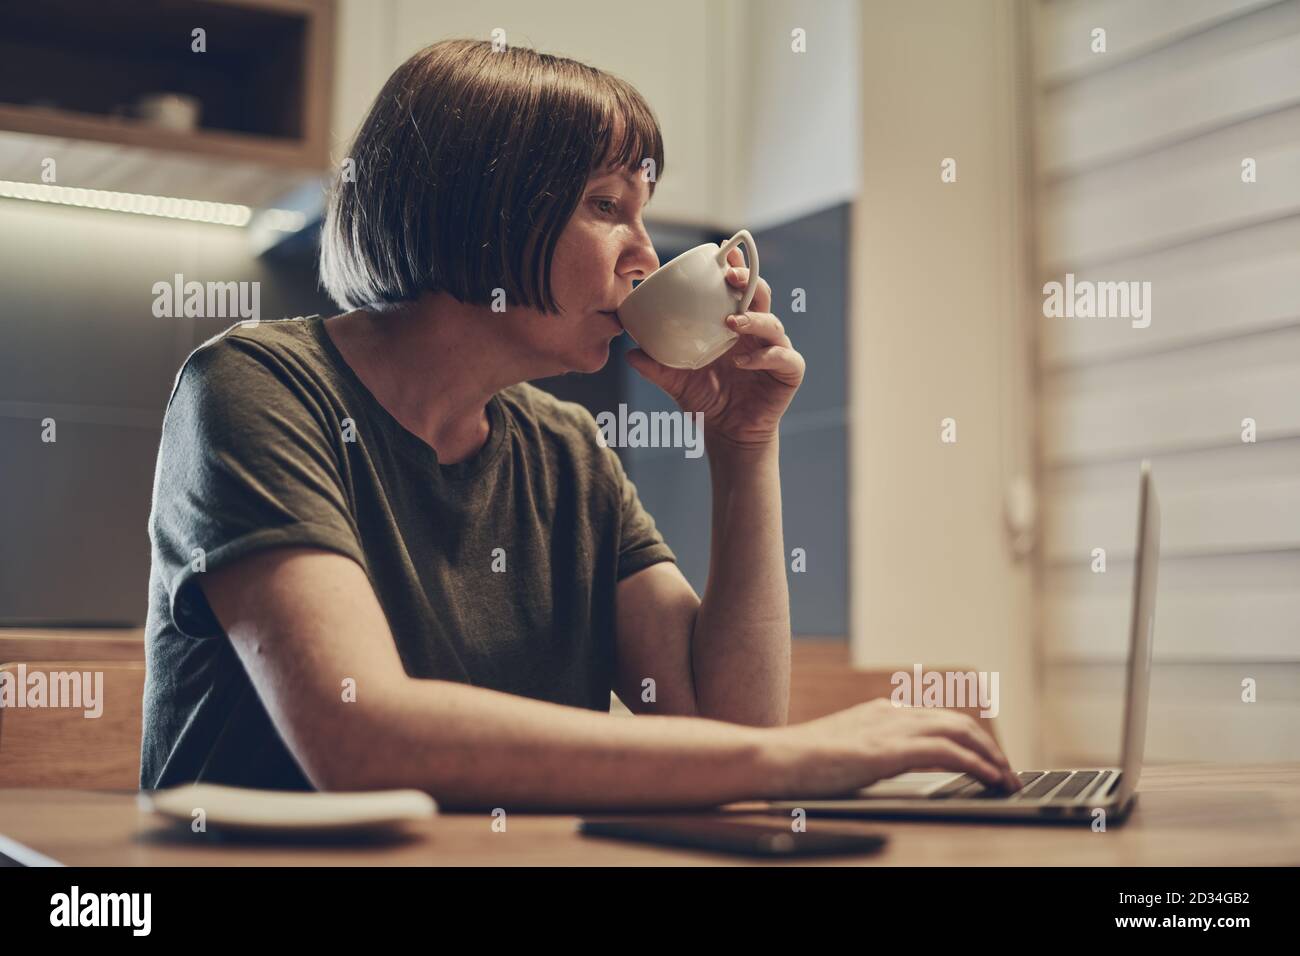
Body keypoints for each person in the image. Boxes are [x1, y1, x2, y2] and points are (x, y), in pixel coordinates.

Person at [140, 38, 1018, 809]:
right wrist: (797, 756)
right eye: (606, 207)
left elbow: (724, 726)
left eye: (642, 212)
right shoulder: (253, 389)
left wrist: (744, 449)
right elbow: (359, 736)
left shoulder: (565, 451)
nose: (646, 254)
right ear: (479, 212)